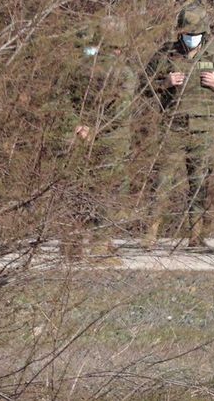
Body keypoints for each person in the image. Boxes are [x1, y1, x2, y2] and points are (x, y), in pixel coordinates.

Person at [144, 4, 214, 250]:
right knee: (162, 181)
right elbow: (142, 86)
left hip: (204, 129)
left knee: (198, 183)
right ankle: (150, 235)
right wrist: (164, 82)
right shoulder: (166, 54)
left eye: (195, 32)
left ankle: (196, 237)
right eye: (187, 32)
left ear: (204, 32)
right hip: (173, 128)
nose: (191, 36)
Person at [62, 16, 143, 260]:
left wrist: (79, 126)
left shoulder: (81, 67)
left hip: (80, 138)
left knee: (79, 189)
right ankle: (99, 247)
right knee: (107, 191)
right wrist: (98, 129)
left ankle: (71, 247)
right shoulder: (125, 73)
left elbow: (64, 100)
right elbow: (121, 110)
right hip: (112, 139)